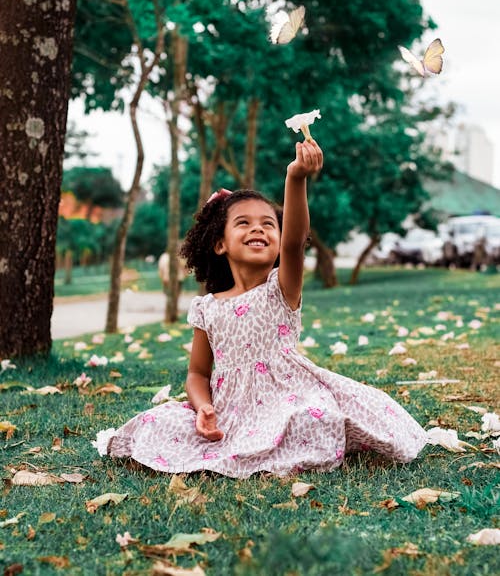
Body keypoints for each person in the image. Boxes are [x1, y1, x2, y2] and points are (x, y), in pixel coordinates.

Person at [94, 138, 427, 477]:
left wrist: (295, 177)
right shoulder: (207, 308)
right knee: (158, 420)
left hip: (287, 402)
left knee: (314, 419)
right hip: (229, 413)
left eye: (269, 223)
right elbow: (197, 374)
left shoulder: (281, 288)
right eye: (243, 222)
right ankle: (244, 449)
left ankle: (273, 451)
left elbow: (296, 242)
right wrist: (203, 407)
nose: (258, 228)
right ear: (220, 243)